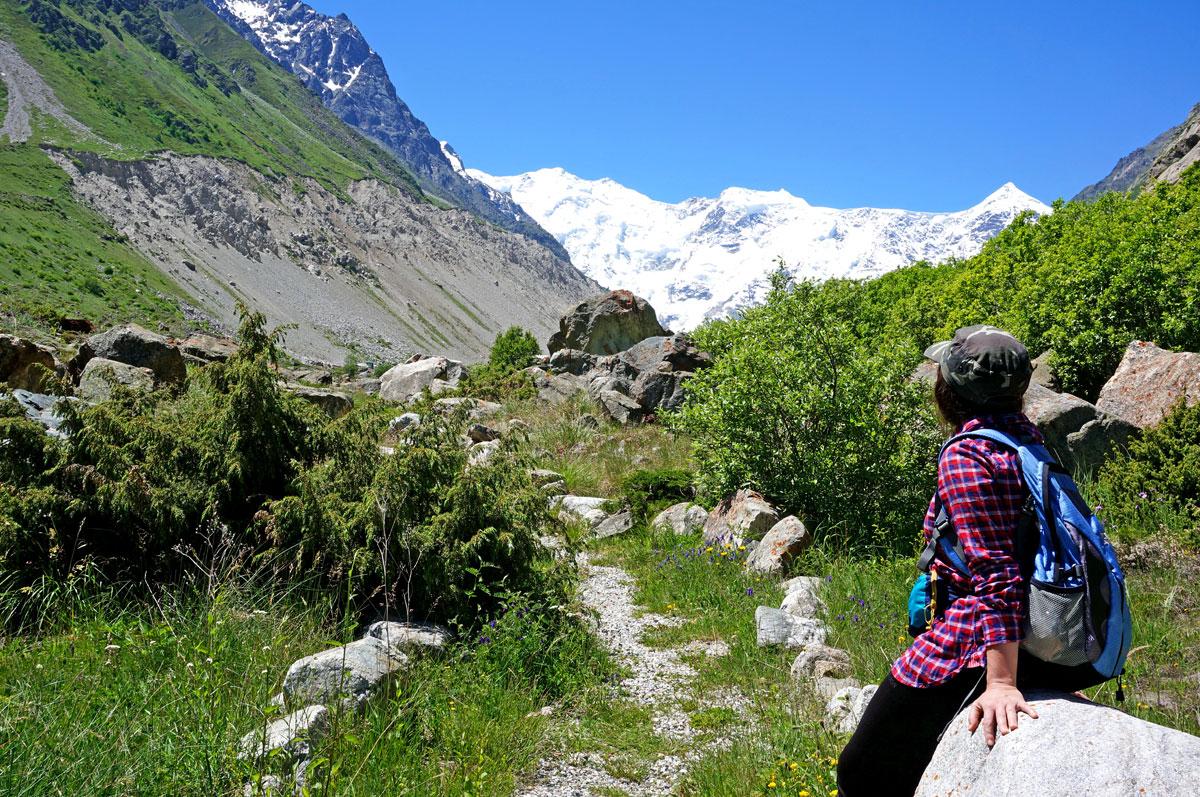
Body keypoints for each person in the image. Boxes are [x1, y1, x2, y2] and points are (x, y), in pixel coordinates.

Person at [836, 325, 1045, 796]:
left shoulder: (970, 455)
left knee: (861, 771)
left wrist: (1003, 682)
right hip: (1034, 624)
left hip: (976, 632)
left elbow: (997, 574)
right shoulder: (1028, 439)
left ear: (950, 391)